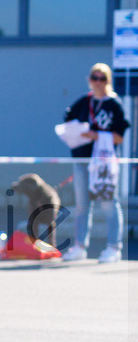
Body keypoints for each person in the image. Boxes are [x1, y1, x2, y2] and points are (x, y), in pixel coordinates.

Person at [61, 62, 128, 263]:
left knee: (108, 203)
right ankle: (80, 246)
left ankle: (113, 247)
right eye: (94, 78)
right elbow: (68, 122)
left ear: (107, 81)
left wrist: (96, 135)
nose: (98, 82)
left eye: (102, 78)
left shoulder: (114, 104)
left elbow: (119, 137)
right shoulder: (83, 102)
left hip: (103, 164)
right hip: (82, 160)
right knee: (82, 205)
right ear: (89, 80)